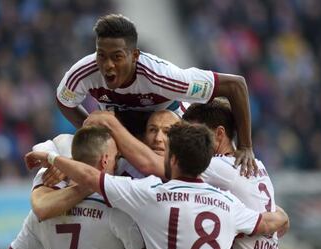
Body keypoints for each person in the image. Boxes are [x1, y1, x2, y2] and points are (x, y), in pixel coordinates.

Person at [25, 123, 289, 249]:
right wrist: (282, 215)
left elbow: (93, 177)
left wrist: (52, 159)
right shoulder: (229, 204)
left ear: (172, 159)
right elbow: (267, 222)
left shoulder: (148, 193)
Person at [56, 13, 257, 174]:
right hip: (122, 127)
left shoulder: (164, 77)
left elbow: (235, 85)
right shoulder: (83, 73)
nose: (108, 65)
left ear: (134, 56)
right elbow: (64, 101)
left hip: (166, 128)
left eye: (117, 57)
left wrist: (246, 146)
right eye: (101, 56)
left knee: (164, 136)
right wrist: (98, 135)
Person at [4, 127, 147, 249]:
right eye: (116, 158)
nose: (117, 165)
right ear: (104, 161)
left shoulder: (36, 217)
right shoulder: (117, 209)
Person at [183, 98, 286, 249]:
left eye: (196, 134)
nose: (188, 142)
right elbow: (282, 222)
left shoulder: (217, 166)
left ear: (219, 134)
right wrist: (281, 216)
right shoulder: (259, 165)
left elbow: (162, 166)